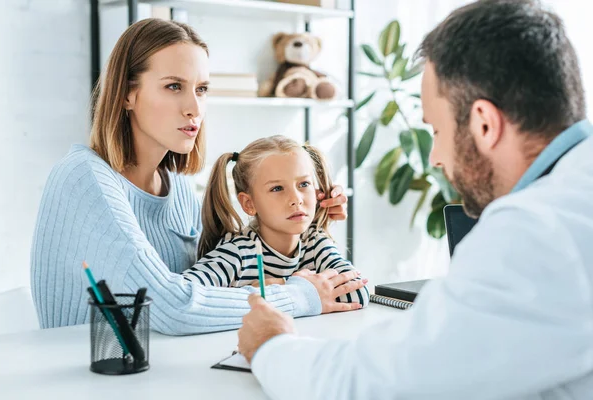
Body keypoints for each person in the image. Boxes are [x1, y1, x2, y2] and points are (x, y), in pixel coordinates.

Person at [237, 0, 593, 398]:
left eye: (436, 131)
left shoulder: (537, 232)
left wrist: (271, 344)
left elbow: (371, 387)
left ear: (485, 124)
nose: (436, 158)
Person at [30, 18, 364, 335]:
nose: (194, 108)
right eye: (174, 86)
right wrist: (301, 296)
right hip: (92, 378)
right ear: (126, 94)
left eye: (201, 89)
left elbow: (219, 279)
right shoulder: (85, 179)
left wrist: (312, 217)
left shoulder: (176, 187)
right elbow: (173, 307)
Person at [182, 135, 370, 308]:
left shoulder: (314, 242)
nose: (296, 199)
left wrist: (281, 288)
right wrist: (292, 290)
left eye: (303, 184)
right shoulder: (238, 253)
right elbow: (182, 298)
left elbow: (358, 294)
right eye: (277, 188)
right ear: (249, 203)